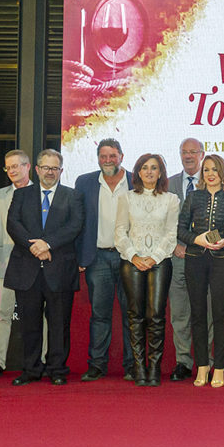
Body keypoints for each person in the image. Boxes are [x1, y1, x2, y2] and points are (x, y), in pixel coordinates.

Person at [5, 149, 85, 387]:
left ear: (61, 171)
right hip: (27, 268)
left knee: (59, 324)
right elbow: (13, 224)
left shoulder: (73, 196)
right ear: (37, 169)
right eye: (46, 168)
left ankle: (57, 369)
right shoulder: (22, 195)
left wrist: (48, 244)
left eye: (55, 168)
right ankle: (30, 369)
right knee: (29, 323)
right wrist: (35, 247)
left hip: (59, 268)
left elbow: (75, 226)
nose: (50, 172)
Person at [177, 154, 224, 388]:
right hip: (195, 260)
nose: (210, 174)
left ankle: (220, 368)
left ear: (222, 172)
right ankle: (202, 365)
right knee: (197, 314)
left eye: (214, 169)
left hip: (222, 261)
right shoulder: (193, 197)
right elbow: (181, 231)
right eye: (206, 170)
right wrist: (197, 239)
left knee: (220, 315)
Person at [115, 153, 179, 387]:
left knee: (156, 315)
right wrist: (134, 256)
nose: (149, 172)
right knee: (135, 315)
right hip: (131, 261)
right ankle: (138, 367)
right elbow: (120, 232)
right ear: (138, 173)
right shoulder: (127, 198)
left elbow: (171, 234)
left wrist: (153, 258)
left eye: (154, 168)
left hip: (160, 262)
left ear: (161, 172)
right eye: (145, 168)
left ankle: (154, 368)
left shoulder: (171, 199)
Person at [75, 138, 135, 382]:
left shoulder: (135, 180)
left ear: (121, 156)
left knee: (131, 313)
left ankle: (133, 365)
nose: (108, 160)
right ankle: (97, 365)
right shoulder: (85, 182)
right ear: (98, 158)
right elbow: (78, 220)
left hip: (129, 258)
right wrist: (80, 255)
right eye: (103, 156)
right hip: (97, 257)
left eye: (112, 156)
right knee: (99, 314)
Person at [0, 150, 41, 380]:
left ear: (28, 167)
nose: (13, 170)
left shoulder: (42, 193)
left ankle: (40, 360)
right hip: (5, 265)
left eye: (17, 166)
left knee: (39, 316)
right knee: (1, 314)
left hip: (35, 265)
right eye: (9, 167)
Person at [167, 137, 208, 381]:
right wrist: (174, 246)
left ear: (202, 154)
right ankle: (183, 361)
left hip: (206, 258)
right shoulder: (169, 183)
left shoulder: (213, 179)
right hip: (178, 257)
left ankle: (208, 361)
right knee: (180, 313)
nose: (188, 156)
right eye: (184, 152)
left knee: (208, 312)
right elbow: (162, 220)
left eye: (193, 152)